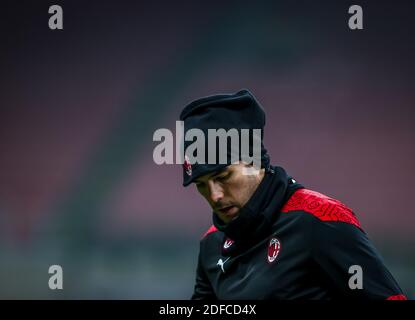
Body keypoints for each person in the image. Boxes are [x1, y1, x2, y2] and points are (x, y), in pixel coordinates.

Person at [180, 89, 407, 300]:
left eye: (223, 177)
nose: (215, 195)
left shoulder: (319, 221)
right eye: (201, 184)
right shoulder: (211, 244)